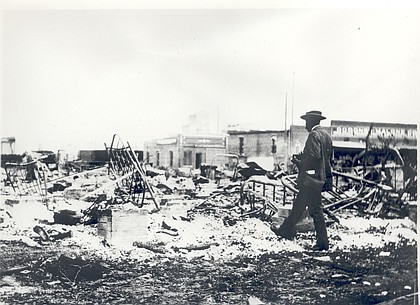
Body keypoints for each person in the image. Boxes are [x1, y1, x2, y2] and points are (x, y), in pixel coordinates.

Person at [272, 110, 333, 251]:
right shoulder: (326, 136)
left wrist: (299, 162)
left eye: (306, 121)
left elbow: (314, 157)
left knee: (316, 210)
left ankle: (322, 243)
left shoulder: (313, 135)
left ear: (311, 121)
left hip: (311, 180)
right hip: (320, 178)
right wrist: (303, 156)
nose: (305, 124)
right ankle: (286, 230)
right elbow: (325, 158)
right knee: (299, 205)